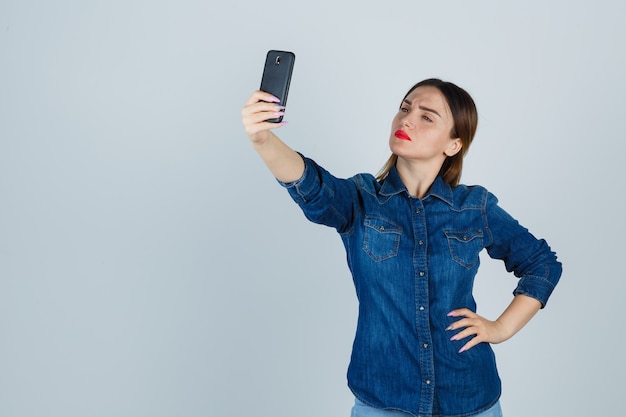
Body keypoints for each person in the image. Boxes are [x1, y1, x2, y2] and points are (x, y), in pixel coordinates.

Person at [241, 78, 562, 417]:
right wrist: (263, 139)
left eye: (427, 117)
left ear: (454, 144)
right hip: (383, 399)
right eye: (405, 108)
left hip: (468, 398)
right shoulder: (361, 199)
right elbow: (313, 185)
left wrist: (501, 328)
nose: (406, 120)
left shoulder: (474, 207)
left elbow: (542, 264)